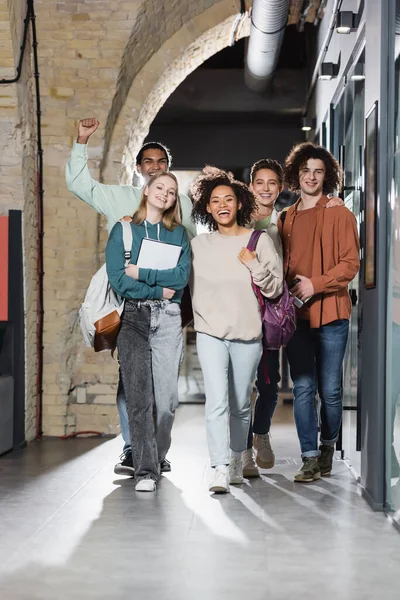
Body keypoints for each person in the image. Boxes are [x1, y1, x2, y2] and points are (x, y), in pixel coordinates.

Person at [66, 118, 196, 478]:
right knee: (132, 379)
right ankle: (133, 449)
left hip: (171, 303)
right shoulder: (119, 198)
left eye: (161, 163)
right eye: (148, 163)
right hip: (130, 302)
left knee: (164, 387)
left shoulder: (181, 201)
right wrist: (82, 142)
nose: (155, 168)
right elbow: (79, 184)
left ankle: (153, 449)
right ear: (139, 170)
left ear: (168, 170)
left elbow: (190, 250)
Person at [243, 159, 345, 478]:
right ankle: (244, 452)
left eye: (272, 183)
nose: (265, 188)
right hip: (239, 315)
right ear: (250, 186)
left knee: (271, 387)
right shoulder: (235, 218)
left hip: (274, 317)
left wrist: (335, 202)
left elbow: (295, 261)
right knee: (240, 388)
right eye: (259, 182)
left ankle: (262, 433)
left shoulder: (283, 220)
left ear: (282, 186)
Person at [190, 167, 283, 493]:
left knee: (241, 404)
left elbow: (274, 290)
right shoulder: (199, 245)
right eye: (215, 200)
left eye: (228, 198)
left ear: (240, 203)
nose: (222, 205)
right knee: (216, 401)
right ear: (208, 208)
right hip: (210, 333)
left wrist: (253, 264)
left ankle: (234, 459)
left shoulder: (259, 242)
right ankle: (218, 468)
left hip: (248, 335)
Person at [280, 142, 360, 482]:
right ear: (296, 175)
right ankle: (309, 457)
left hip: (332, 314)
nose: (311, 177)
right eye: (305, 171)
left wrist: (317, 284)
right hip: (296, 319)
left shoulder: (339, 213)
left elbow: (350, 263)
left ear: (326, 177)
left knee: (329, 391)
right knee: (302, 388)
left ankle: (328, 444)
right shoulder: (285, 218)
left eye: (318, 171)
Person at [105, 171, 190, 491]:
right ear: (146, 190)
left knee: (166, 402)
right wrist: (158, 288)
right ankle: (145, 471)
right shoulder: (124, 230)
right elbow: (119, 281)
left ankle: (156, 455)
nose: (165, 195)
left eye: (171, 191)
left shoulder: (179, 234)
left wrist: (140, 271)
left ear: (173, 200)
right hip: (133, 320)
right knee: (139, 399)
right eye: (160, 188)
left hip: (169, 320)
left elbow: (179, 280)